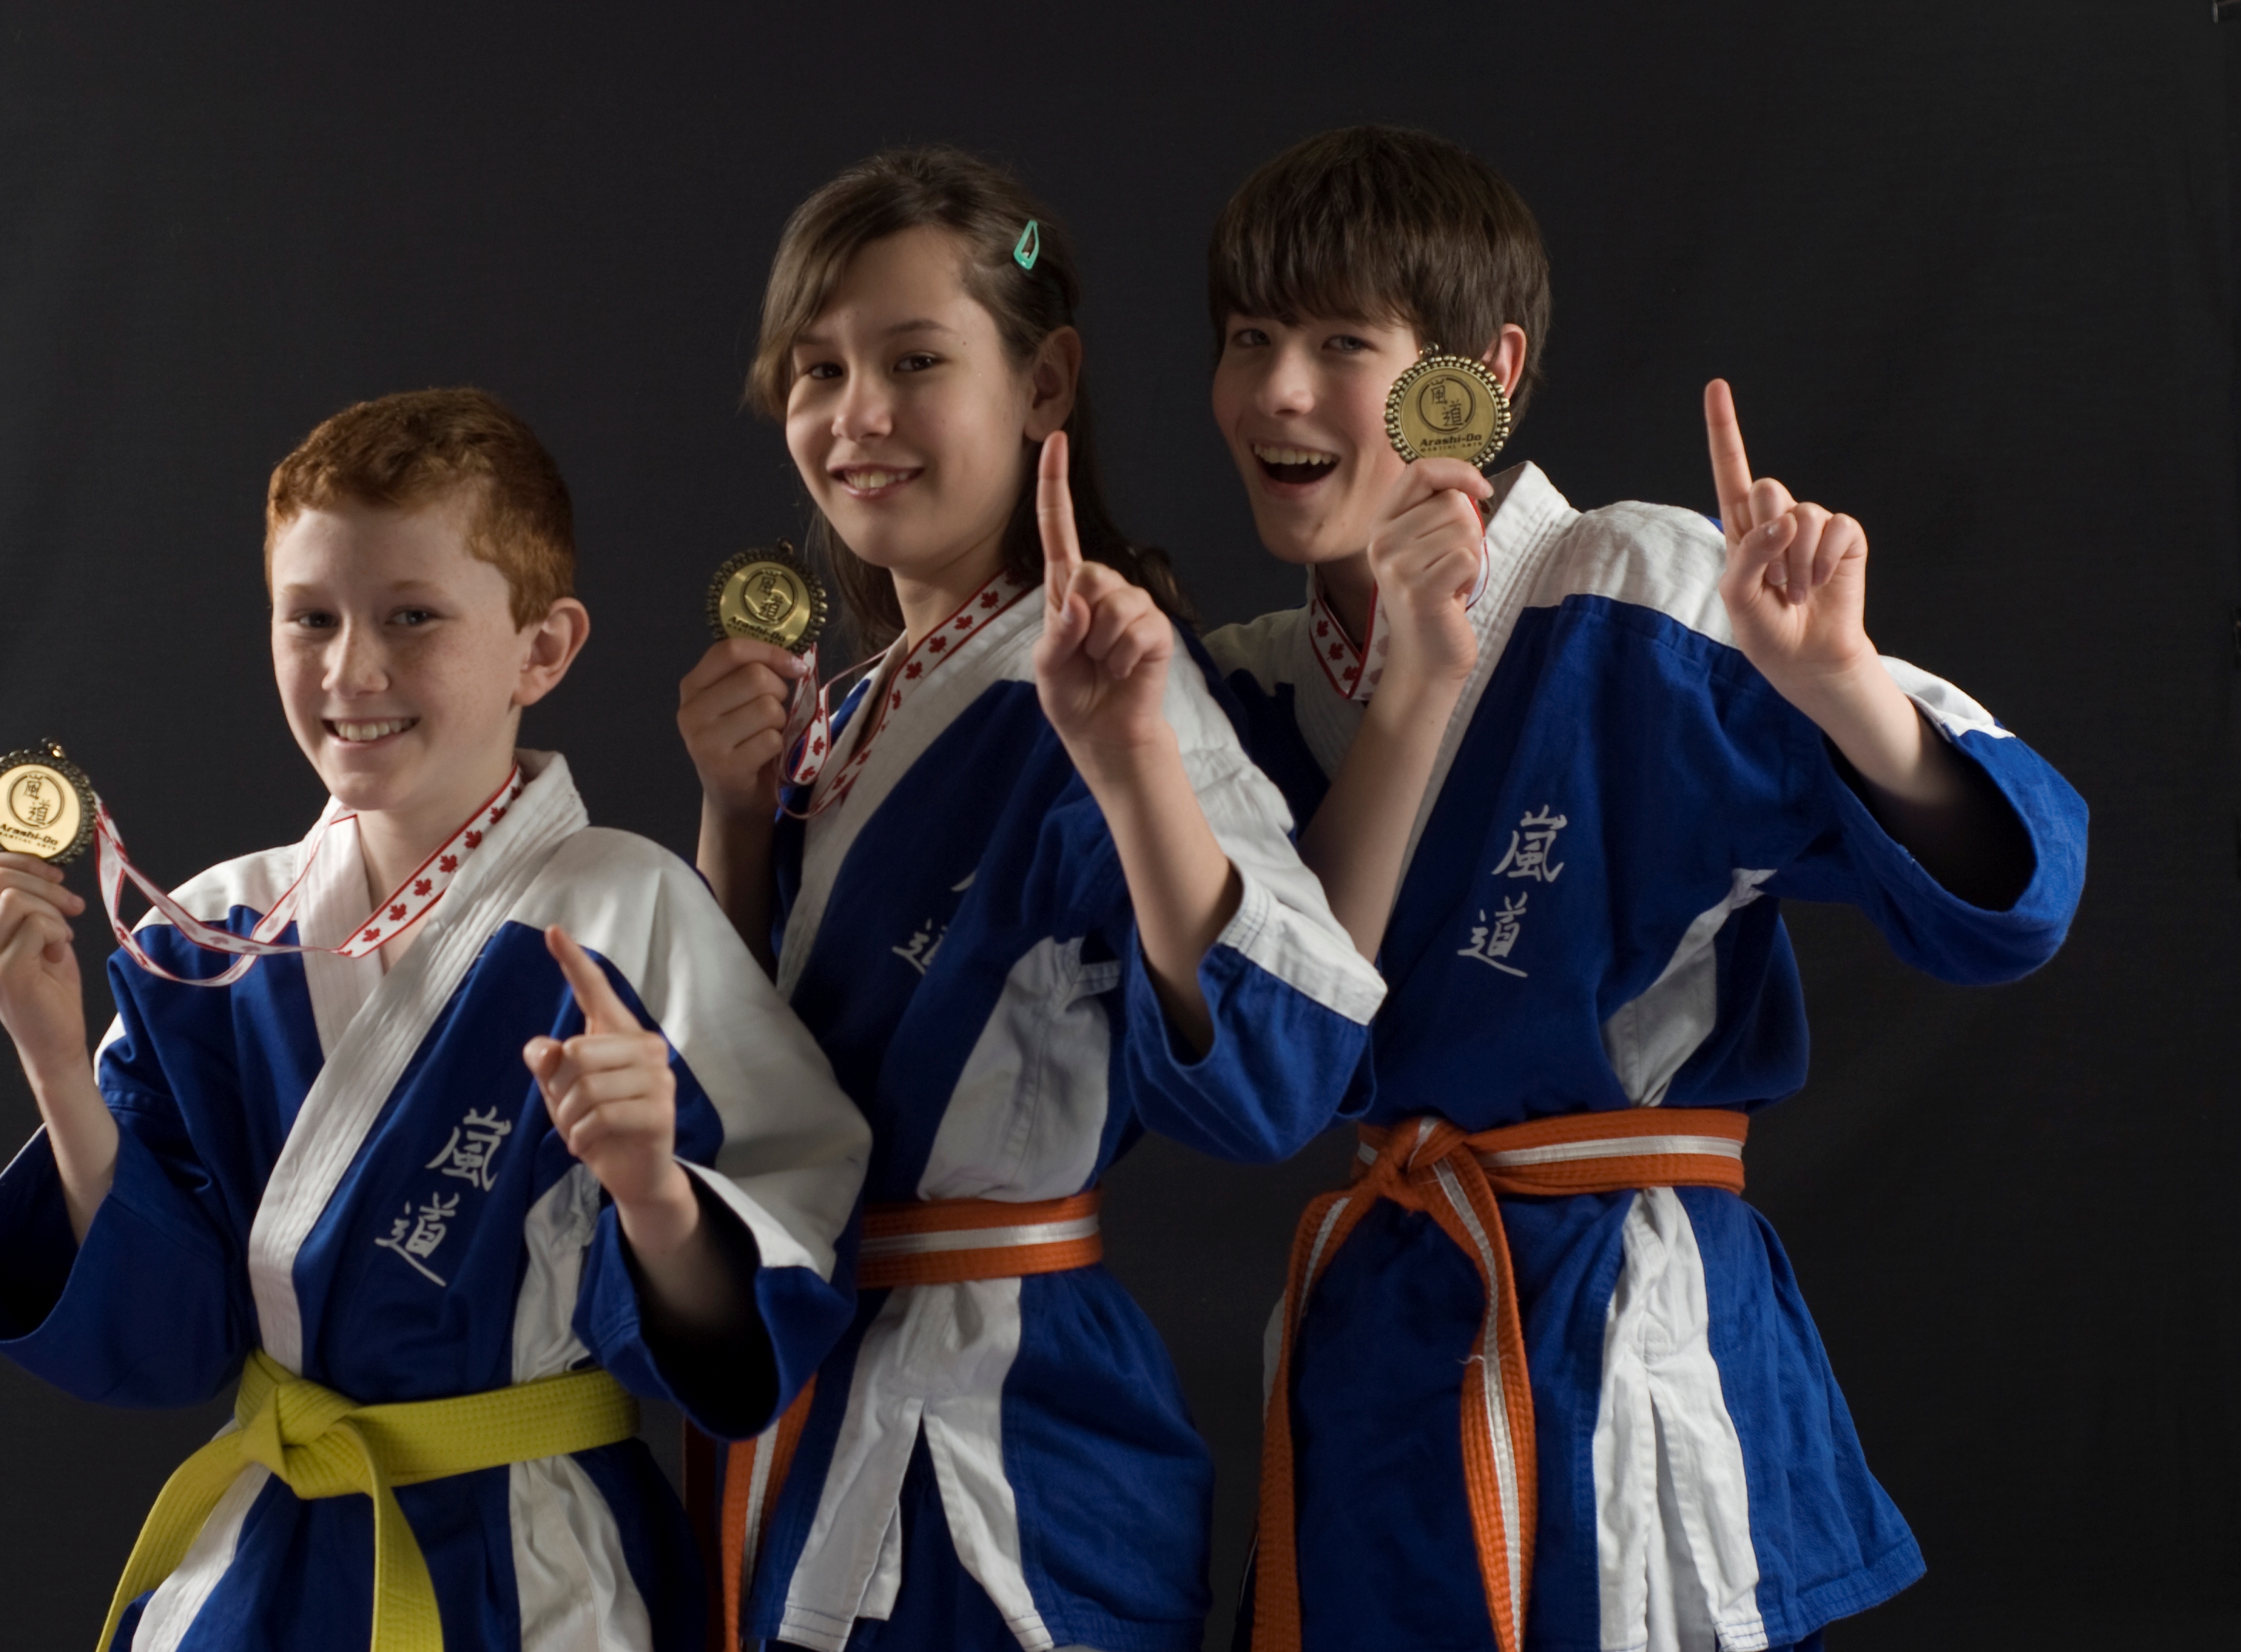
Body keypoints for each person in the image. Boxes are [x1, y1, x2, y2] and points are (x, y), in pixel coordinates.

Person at [1198, 127, 2088, 1652]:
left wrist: (1840, 689)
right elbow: (1234, 1050)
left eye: (1340, 342)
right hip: (1382, 1334)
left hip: (1628, 1338)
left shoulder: (1645, 592)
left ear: (1479, 374)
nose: (1277, 390)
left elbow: (2016, 895)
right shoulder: (1245, 693)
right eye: (1245, 338)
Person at [0, 388, 871, 1652]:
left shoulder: (628, 908)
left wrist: (654, 1191)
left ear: (543, 649)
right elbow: (166, 1341)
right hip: (272, 1551)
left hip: (539, 1562)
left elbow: (766, 1303)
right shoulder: (206, 937)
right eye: (310, 618)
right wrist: (56, 1063)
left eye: (412, 617)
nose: (352, 671)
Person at [674, 147, 1385, 1652]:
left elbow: (1280, 1078)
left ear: (1044, 382)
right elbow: (729, 1100)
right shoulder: (843, 711)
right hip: (817, 1381)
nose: (855, 416)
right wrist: (733, 823)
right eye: (817, 370)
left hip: (1003, 1438)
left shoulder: (1112, 679)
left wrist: (1132, 766)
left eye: (913, 361)